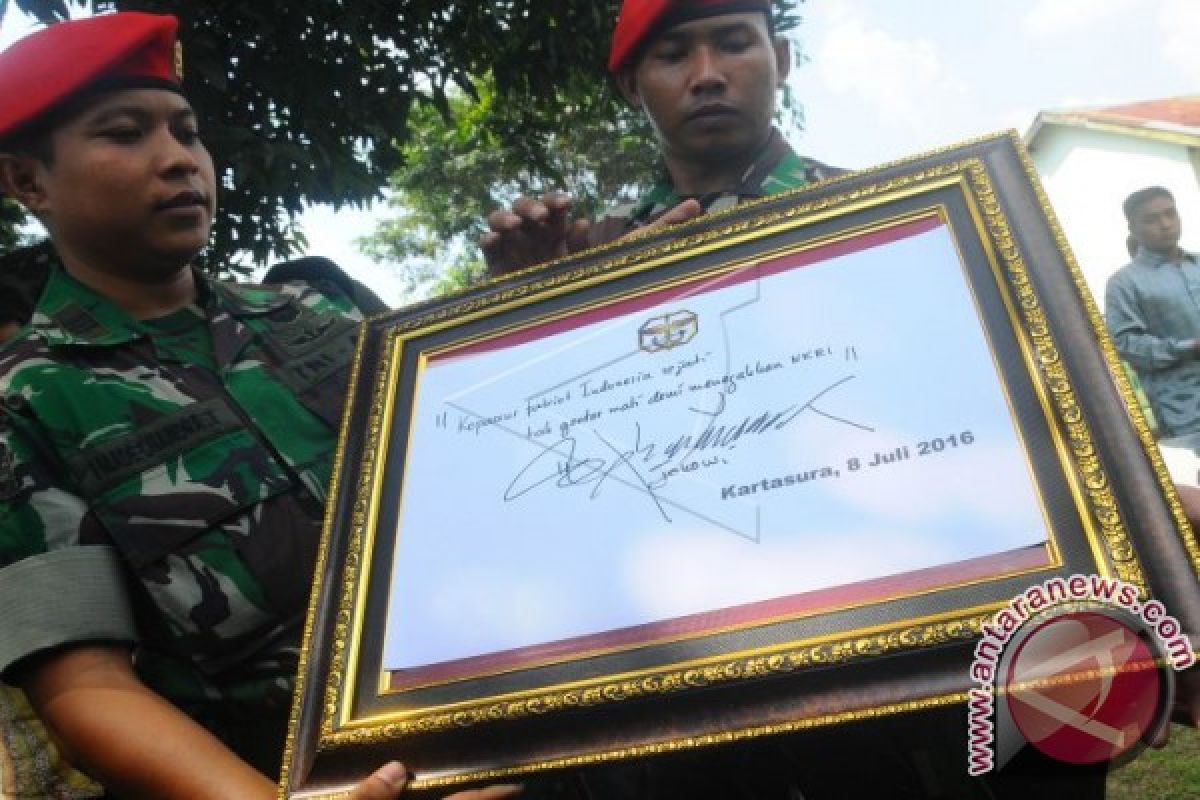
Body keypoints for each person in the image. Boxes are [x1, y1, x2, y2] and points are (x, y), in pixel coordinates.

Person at [0, 14, 519, 800]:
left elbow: (494, 469)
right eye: (125, 134)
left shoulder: (319, 315)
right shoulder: (25, 401)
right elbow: (83, 685)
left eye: (187, 131)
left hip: (535, 711)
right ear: (30, 182)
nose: (177, 159)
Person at [481, 0, 840, 276]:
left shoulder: (865, 209)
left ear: (780, 60)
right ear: (631, 86)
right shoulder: (595, 247)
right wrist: (538, 301)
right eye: (673, 56)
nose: (706, 76)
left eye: (733, 45)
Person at [1106, 186, 1200, 438]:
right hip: (1187, 412)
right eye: (1151, 219)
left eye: (1171, 213)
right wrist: (1189, 347)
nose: (1166, 224)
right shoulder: (1124, 283)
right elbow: (1125, 344)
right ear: (1133, 229)